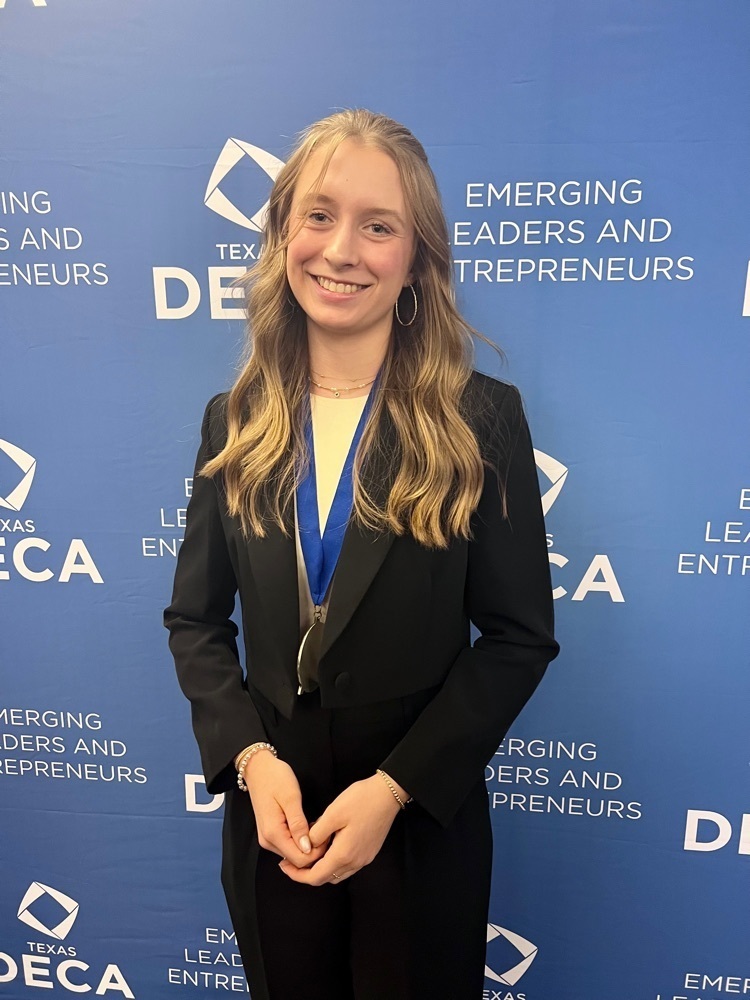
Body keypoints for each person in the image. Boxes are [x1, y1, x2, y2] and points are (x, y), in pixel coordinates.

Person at [164, 108, 559, 1000]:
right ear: (281, 234)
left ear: (416, 259)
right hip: (276, 821)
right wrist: (251, 764)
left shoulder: (480, 419)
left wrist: (394, 791)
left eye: (378, 226)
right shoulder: (232, 422)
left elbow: (518, 638)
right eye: (318, 215)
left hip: (416, 819)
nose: (341, 249)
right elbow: (194, 620)